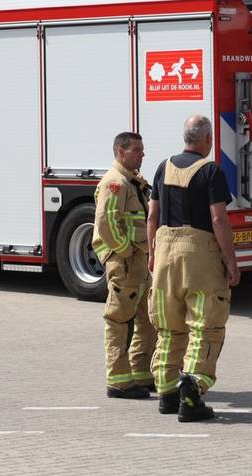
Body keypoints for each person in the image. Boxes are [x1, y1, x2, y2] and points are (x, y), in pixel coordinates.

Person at [146, 115, 241, 422]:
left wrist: (152, 254)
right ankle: (192, 392)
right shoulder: (211, 171)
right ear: (208, 140)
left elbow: (152, 216)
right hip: (198, 257)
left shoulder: (163, 167)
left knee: (169, 327)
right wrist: (231, 261)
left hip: (165, 254)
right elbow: (218, 220)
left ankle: (167, 392)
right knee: (205, 325)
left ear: (184, 137)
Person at [93, 132, 157, 400]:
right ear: (121, 151)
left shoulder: (133, 181)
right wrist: (126, 251)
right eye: (137, 150)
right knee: (119, 319)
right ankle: (118, 380)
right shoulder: (115, 183)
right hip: (126, 262)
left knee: (146, 318)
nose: (143, 154)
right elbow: (107, 224)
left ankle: (141, 373)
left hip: (139, 261)